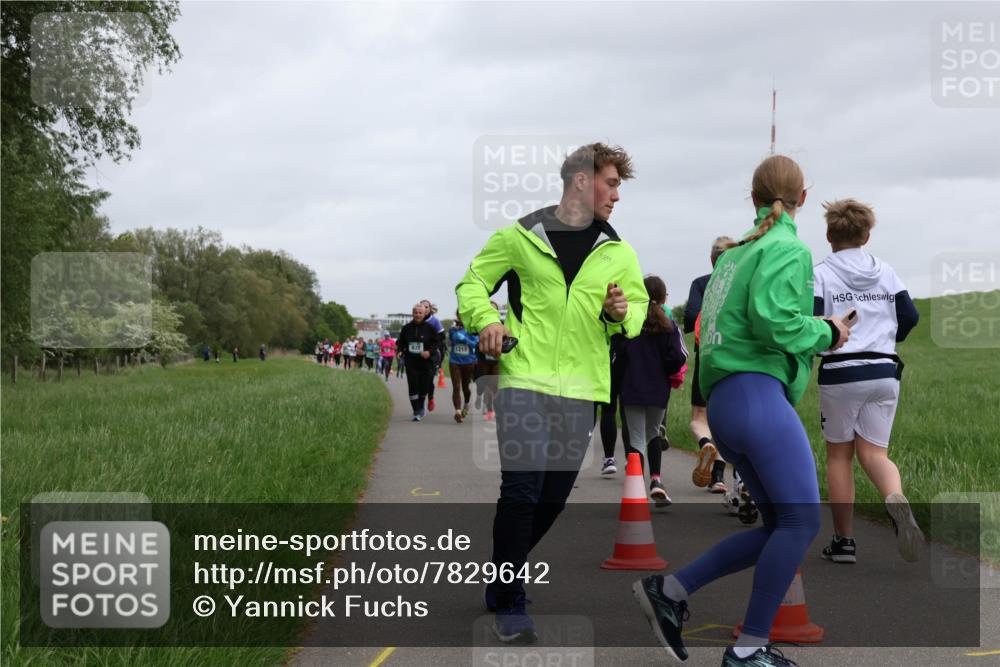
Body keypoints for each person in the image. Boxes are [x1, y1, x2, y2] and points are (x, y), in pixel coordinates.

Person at [633, 154, 851, 666]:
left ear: (752, 199)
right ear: (802, 198)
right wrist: (829, 331)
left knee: (778, 525)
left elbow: (712, 331)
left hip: (726, 402)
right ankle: (750, 648)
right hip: (758, 396)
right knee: (801, 523)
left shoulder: (732, 256)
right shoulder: (786, 247)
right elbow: (776, 322)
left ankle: (672, 591)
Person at [457, 142, 647, 644]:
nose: (616, 196)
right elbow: (472, 284)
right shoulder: (520, 236)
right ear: (582, 181)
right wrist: (487, 321)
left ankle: (502, 573)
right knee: (521, 491)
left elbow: (638, 310)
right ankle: (511, 598)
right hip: (523, 379)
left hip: (582, 388)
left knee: (554, 497)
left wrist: (620, 313)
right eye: (611, 184)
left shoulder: (618, 250)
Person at [813, 198, 922, 564]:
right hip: (883, 371)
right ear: (867, 235)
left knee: (840, 456)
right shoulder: (886, 271)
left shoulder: (820, 272)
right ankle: (895, 498)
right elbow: (909, 315)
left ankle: (844, 542)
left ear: (829, 234)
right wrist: (886, 339)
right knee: (875, 454)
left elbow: (812, 322)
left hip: (841, 372)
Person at [619, 276, 687, 506]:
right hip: (658, 390)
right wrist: (667, 371)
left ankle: (635, 488)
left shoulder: (629, 323)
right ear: (663, 296)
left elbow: (616, 356)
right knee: (653, 434)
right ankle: (656, 481)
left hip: (631, 387)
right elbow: (678, 357)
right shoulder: (669, 326)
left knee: (636, 439)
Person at [684, 236, 737, 495]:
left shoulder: (701, 284)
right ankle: (729, 479)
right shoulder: (741, 284)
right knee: (732, 420)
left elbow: (691, 316)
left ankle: (706, 445)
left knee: (700, 418)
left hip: (706, 359)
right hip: (736, 360)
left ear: (712, 259)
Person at [397, 304, 441, 421]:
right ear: (412, 313)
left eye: (420, 313)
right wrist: (400, 351)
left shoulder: (430, 328)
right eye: (415, 313)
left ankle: (421, 405)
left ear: (424, 314)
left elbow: (437, 343)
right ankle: (416, 411)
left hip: (426, 362)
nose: (417, 315)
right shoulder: (406, 328)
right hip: (411, 361)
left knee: (424, 387)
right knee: (412, 386)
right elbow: (400, 342)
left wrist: (429, 352)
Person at [597, 333, 629, 475]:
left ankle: (609, 459)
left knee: (608, 409)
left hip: (609, 349)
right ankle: (631, 459)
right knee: (626, 410)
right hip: (628, 351)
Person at [448, 312, 479, 423]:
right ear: (457, 316)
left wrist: (464, 339)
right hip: (454, 361)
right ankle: (457, 411)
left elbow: (475, 344)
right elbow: (451, 341)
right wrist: (455, 331)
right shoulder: (452, 329)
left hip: (468, 362)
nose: (461, 317)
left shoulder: (473, 328)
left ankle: (466, 404)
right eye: (459, 315)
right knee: (456, 387)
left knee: (465, 387)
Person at [474, 301, 502, 421]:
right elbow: (474, 342)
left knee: (493, 385)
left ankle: (489, 408)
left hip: (496, 361)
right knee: (482, 385)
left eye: (494, 309)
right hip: (483, 359)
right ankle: (479, 396)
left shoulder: (503, 325)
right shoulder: (480, 325)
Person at [420, 300, 446, 411]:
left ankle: (430, 398)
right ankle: (419, 402)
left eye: (426, 307)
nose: (424, 309)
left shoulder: (434, 321)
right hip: (419, 354)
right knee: (418, 380)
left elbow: (442, 336)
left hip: (432, 354)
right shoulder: (417, 320)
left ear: (430, 309)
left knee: (429, 380)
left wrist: (432, 346)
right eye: (422, 307)